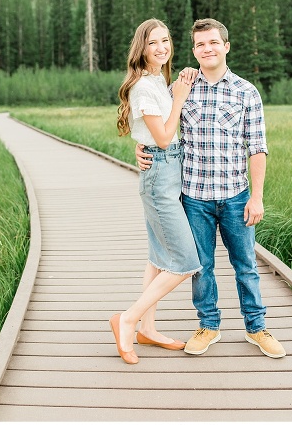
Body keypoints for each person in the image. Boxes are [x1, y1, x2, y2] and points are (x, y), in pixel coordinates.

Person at [137, 18, 285, 359]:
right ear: (194, 50)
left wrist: (257, 197)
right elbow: (162, 132)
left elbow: (257, 147)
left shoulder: (246, 92)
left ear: (226, 46)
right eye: (201, 44)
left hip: (236, 196)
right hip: (194, 197)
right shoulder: (181, 88)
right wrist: (140, 149)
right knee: (201, 266)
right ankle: (208, 325)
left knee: (245, 264)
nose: (208, 49)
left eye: (214, 43)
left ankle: (257, 328)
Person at [111, 18, 202, 364]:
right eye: (153, 43)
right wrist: (178, 97)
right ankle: (129, 319)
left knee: (157, 258)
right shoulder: (143, 87)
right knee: (183, 262)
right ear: (141, 48)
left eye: (165, 41)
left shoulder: (156, 80)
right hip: (160, 176)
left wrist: (178, 84)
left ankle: (147, 328)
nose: (162, 48)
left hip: (168, 172)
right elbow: (163, 137)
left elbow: (156, 136)